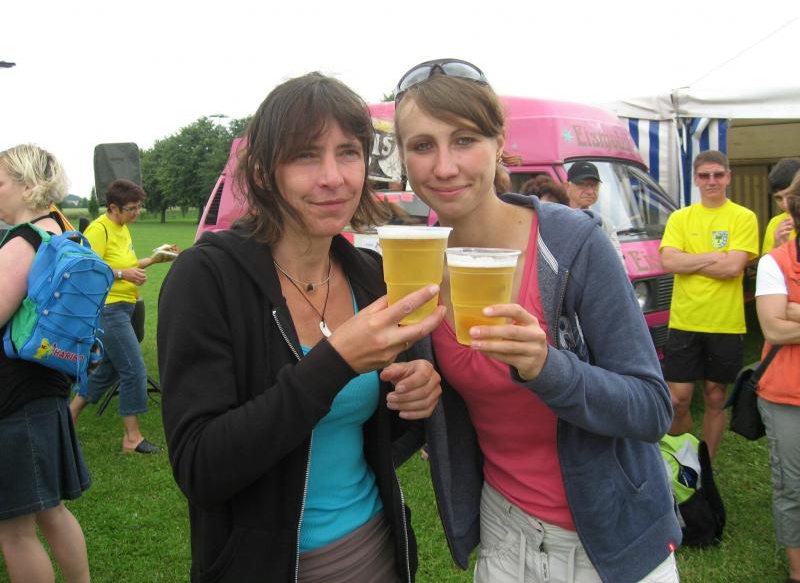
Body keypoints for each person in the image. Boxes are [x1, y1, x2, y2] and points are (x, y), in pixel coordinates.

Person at [393, 58, 680, 583]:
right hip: (504, 534)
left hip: (611, 538)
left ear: (499, 141)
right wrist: (415, 394)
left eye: (465, 140)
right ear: (404, 158)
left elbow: (652, 408)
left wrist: (548, 366)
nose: (444, 167)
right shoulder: (415, 263)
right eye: (423, 145)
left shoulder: (573, 244)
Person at [157, 72, 445, 582]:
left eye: (348, 152)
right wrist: (335, 363)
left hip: (377, 552)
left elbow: (373, 436)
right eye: (305, 155)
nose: (332, 177)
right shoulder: (207, 278)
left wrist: (413, 398)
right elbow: (201, 468)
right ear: (264, 172)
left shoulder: (368, 274)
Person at [0, 144, 91, 583]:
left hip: (15, 392)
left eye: (0, 182)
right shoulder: (61, 228)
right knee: (50, 511)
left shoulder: (24, 240)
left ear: (28, 185)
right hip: (45, 381)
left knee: (14, 529)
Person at [660, 150, 759, 460]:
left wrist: (689, 261)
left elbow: (733, 268)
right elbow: (668, 261)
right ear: (696, 179)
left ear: (728, 177)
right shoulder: (680, 218)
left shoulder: (743, 217)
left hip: (724, 323)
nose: (712, 181)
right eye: (705, 175)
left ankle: (707, 466)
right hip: (685, 321)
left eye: (718, 174)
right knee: (678, 400)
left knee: (715, 397)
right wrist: (715, 257)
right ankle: (684, 461)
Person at [69, 179, 171, 453]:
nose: (137, 212)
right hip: (108, 309)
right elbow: (86, 269)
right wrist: (123, 274)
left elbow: (125, 264)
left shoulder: (122, 228)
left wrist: (154, 260)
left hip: (125, 307)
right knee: (134, 369)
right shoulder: (99, 228)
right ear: (113, 207)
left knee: (109, 369)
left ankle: (68, 416)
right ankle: (131, 438)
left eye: (139, 207)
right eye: (131, 208)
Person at [755, 171, 800, 583]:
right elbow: (773, 328)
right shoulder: (775, 261)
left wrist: (792, 308)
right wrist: (782, 313)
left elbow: (784, 317)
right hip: (787, 395)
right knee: (794, 487)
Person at [762, 157, 800, 255]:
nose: (786, 205)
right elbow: (767, 263)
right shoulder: (775, 223)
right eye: (779, 198)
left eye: (790, 196)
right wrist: (777, 246)